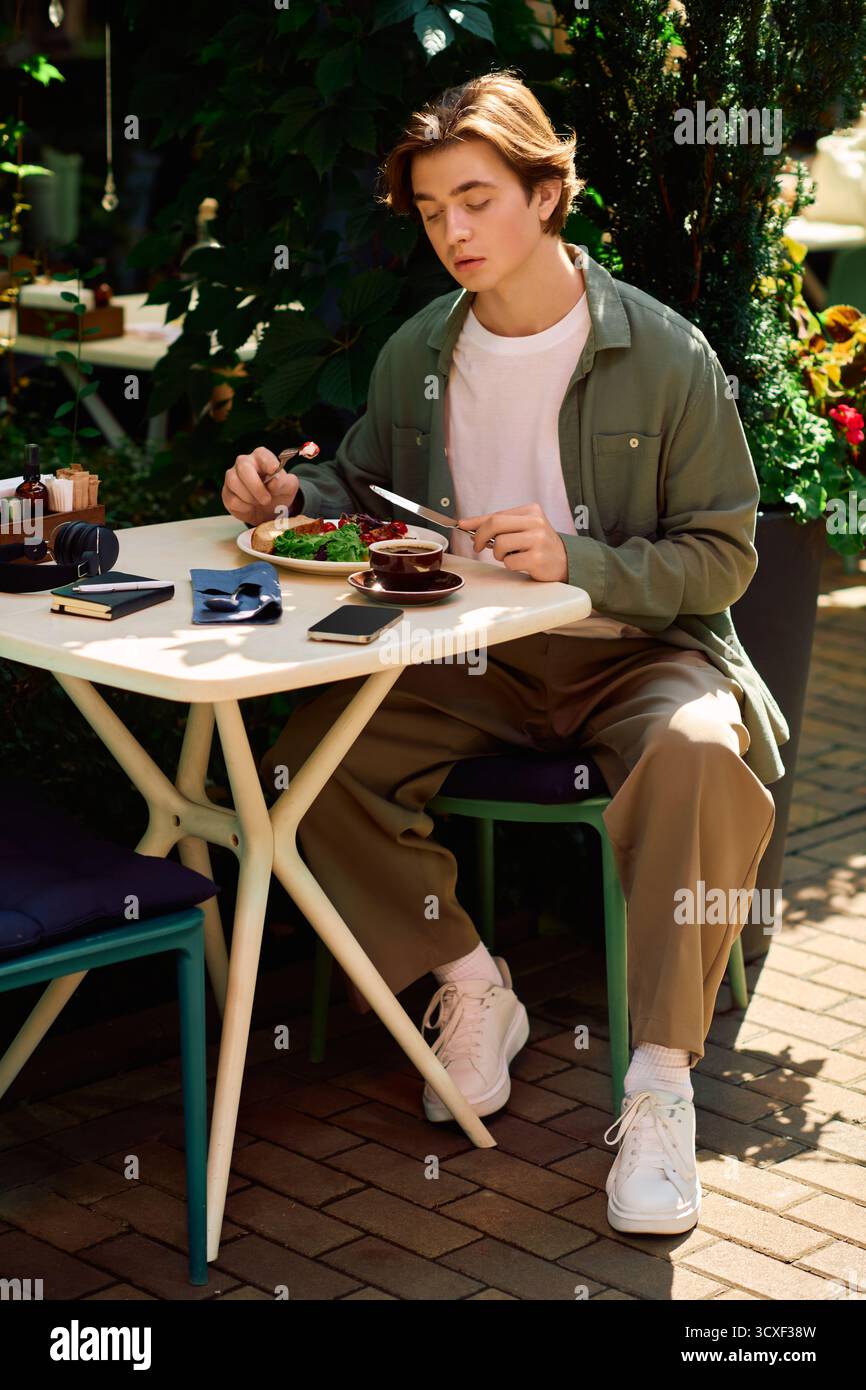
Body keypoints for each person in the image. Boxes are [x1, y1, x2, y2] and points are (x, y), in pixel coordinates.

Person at [221, 70, 789, 1236]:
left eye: (477, 199)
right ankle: (470, 983)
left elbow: (722, 558)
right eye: (431, 212)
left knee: (696, 751)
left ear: (546, 193)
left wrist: (577, 562)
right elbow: (364, 483)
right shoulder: (417, 350)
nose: (454, 233)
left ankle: (659, 1085)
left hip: (636, 652)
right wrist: (286, 487)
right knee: (301, 768)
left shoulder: (666, 355)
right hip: (467, 658)